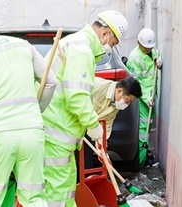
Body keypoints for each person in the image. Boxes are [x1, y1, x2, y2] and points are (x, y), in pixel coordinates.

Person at [41, 10, 128, 206]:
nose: (110, 47)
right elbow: (76, 97)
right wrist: (93, 125)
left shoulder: (77, 44)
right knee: (57, 194)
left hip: (61, 137)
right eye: (113, 43)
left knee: (67, 188)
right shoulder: (82, 50)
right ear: (105, 33)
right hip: (55, 137)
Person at [0, 8, 56, 206]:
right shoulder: (22, 45)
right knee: (34, 198)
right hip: (32, 131)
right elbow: (50, 82)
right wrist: (35, 111)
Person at [126, 28, 162, 167]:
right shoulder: (134, 58)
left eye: (150, 48)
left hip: (150, 95)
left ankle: (145, 153)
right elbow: (137, 84)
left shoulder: (151, 51)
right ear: (138, 43)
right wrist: (147, 98)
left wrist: (158, 59)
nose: (148, 50)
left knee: (147, 125)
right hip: (142, 99)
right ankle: (140, 158)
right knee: (143, 127)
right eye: (145, 48)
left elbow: (156, 53)